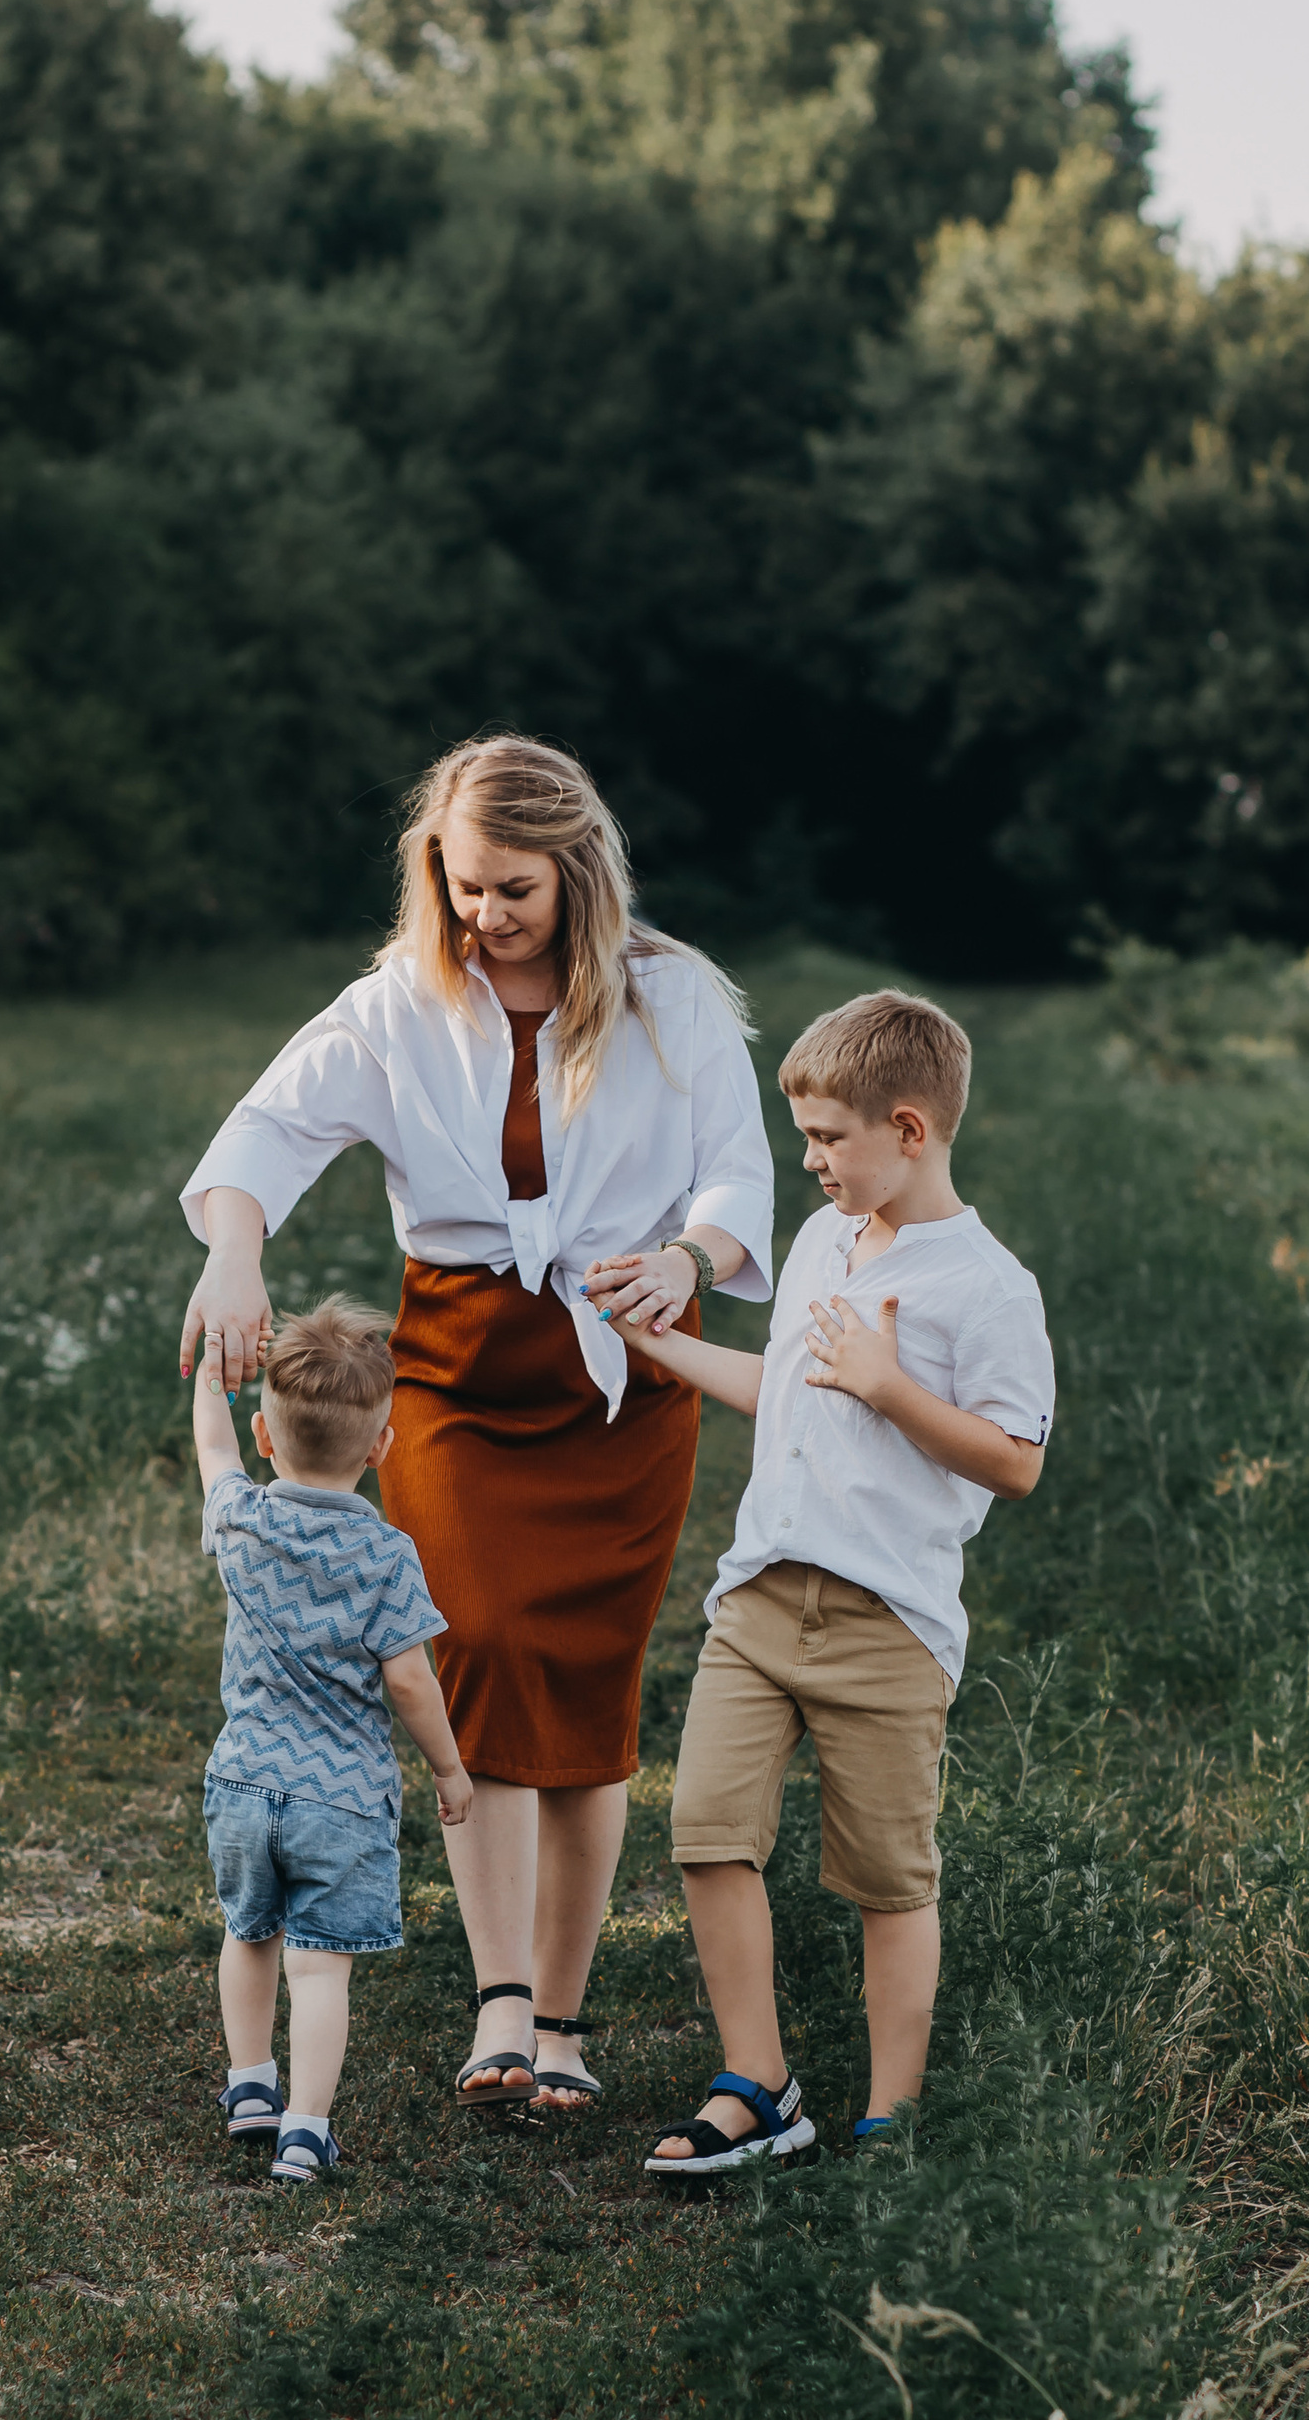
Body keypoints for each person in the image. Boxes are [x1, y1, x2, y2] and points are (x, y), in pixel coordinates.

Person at [179, 736, 773, 2120]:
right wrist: (235, 1254)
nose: (481, 918)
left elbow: (740, 1170)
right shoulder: (399, 999)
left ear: (575, 872)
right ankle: (498, 1995)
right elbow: (263, 1134)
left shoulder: (671, 999)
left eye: (511, 891)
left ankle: (560, 2017)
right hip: (449, 1376)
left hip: (626, 1375)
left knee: (585, 1683)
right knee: (479, 1645)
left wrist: (690, 1258)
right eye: (459, 888)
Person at [595, 988, 1052, 2179]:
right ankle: (759, 2081)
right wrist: (664, 1345)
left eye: (827, 1139)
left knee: (888, 1878)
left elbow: (1016, 1461)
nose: (808, 1162)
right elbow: (792, 1383)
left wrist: (889, 1387)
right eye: (801, 1137)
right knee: (704, 1831)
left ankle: (888, 2115)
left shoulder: (989, 1286)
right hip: (758, 1600)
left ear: (909, 1129)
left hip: (885, 1623)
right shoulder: (817, 1244)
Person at [192, 1296, 472, 2187]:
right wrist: (449, 1765)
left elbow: (212, 1452)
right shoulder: (387, 1556)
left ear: (268, 1440)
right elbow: (408, 1680)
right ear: (382, 1449)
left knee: (248, 1933)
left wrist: (211, 1373)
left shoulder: (242, 1518)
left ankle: (248, 2086)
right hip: (340, 1798)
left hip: (241, 1785)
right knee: (321, 1974)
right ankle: (306, 2131)